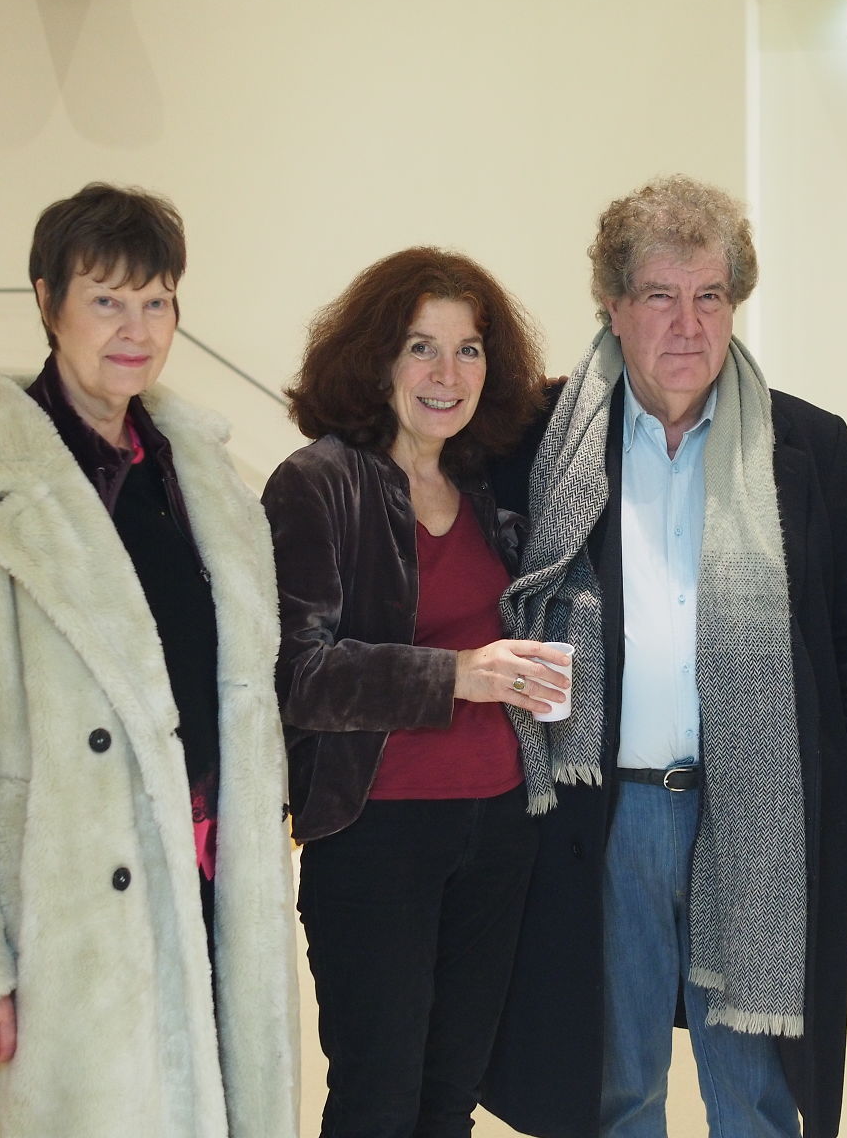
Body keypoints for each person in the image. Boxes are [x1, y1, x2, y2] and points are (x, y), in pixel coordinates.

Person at [0, 183, 299, 1137]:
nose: (135, 329)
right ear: (47, 301)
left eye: (157, 301)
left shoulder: (196, 470)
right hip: (65, 919)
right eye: (106, 300)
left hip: (211, 876)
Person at [483, 175, 847, 1138]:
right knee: (617, 1088)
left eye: (710, 296)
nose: (687, 324)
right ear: (613, 306)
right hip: (603, 816)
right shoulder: (540, 441)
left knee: (754, 1096)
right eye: (660, 295)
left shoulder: (804, 443)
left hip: (754, 814)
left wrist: (839, 785)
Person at [262, 247, 558, 1138]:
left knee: (449, 1101)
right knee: (376, 1103)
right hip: (376, 834)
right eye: (421, 347)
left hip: (498, 826)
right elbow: (298, 673)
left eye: (469, 350)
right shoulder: (317, 484)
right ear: (376, 356)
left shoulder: (483, 484)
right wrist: (456, 674)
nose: (446, 374)